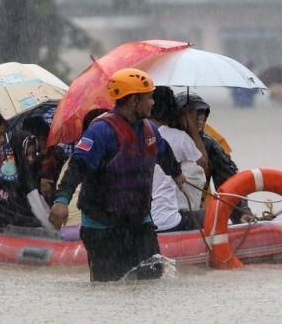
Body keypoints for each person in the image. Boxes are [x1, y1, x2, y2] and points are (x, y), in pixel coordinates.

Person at [48, 68, 184, 282]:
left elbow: (164, 152)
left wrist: (177, 174)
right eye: (149, 98)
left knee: (153, 278)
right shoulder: (100, 132)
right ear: (133, 101)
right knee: (110, 286)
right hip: (103, 226)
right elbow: (78, 166)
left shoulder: (150, 130)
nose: (153, 103)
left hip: (139, 224)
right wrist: (61, 200)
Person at [175, 91, 254, 224]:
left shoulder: (210, 144)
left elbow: (229, 181)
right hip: (164, 212)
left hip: (197, 212)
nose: (199, 118)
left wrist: (242, 212)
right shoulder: (161, 139)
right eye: (193, 113)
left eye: (202, 113)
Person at [150, 86, 207, 231]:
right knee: (215, 216)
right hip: (170, 219)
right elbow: (203, 164)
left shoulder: (139, 136)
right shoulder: (179, 138)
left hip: (146, 219)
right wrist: (192, 127)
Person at [0, 130, 55, 233]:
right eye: (27, 155)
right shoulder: (15, 172)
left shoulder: (10, 163)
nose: (31, 159)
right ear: (19, 152)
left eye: (33, 154)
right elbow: (34, 203)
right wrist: (54, 231)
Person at [21, 116, 68, 201]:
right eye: (42, 139)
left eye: (47, 138)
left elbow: (65, 173)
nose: (46, 142)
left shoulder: (58, 153)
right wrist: (37, 183)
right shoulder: (23, 160)